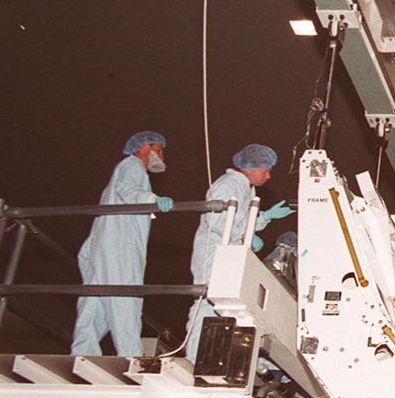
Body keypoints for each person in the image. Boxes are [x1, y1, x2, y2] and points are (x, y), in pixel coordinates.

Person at [184, 143, 293, 360]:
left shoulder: (245, 187)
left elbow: (241, 220)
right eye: (266, 170)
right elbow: (216, 219)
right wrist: (245, 235)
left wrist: (264, 217)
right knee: (207, 304)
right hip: (213, 256)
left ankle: (207, 358)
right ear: (251, 168)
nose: (268, 176)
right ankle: (191, 360)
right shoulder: (229, 184)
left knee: (223, 308)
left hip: (229, 258)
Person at [71, 131, 175, 357]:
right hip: (120, 248)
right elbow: (127, 190)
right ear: (146, 147)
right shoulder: (134, 165)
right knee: (125, 299)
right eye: (159, 148)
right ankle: (132, 357)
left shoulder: (125, 167)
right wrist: (152, 200)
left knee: (95, 302)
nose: (162, 154)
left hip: (103, 244)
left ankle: (82, 352)